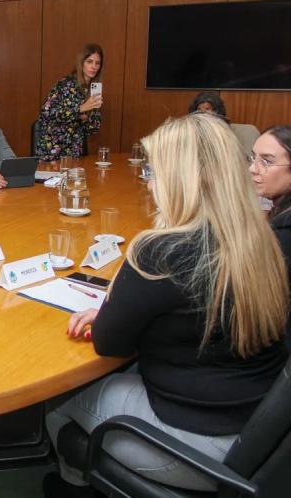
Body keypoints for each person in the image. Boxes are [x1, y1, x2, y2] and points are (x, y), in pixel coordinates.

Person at [43, 113, 289, 497]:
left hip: (194, 449)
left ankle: (71, 485)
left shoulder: (161, 251)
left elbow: (110, 344)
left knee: (56, 400)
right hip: (254, 433)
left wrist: (111, 309)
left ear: (179, 178)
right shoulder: (259, 237)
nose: (150, 181)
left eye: (154, 171)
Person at [36, 43, 103, 161]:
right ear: (81, 62)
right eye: (89, 61)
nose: (94, 66)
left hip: (74, 154)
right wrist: (79, 109)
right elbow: (46, 113)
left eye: (97, 63)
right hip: (52, 152)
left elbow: (93, 129)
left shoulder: (92, 90)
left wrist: (88, 117)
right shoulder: (65, 84)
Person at [248, 125, 291, 277]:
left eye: (266, 162)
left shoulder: (285, 232)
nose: (252, 168)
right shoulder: (277, 208)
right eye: (253, 158)